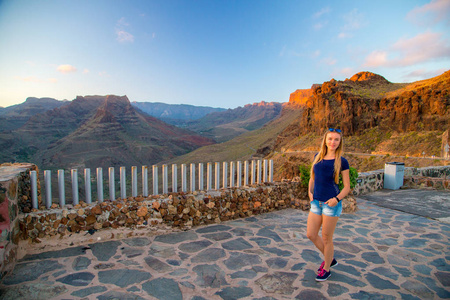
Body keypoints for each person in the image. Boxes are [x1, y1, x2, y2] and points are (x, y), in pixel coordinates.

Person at [306, 128, 351, 281]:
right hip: (316, 202)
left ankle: (326, 268)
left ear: (340, 142)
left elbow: (347, 187)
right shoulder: (317, 157)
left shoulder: (342, 161)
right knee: (311, 234)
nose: (333, 142)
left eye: (336, 139)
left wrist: (336, 199)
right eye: (330, 138)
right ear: (325, 140)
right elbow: (312, 177)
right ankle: (330, 258)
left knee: (326, 237)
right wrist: (310, 192)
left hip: (331, 204)